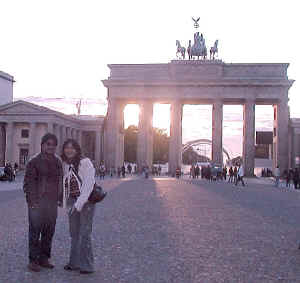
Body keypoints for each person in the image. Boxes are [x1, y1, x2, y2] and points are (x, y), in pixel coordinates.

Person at [23, 133, 63, 272]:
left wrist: (60, 198)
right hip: (37, 202)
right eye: (48, 144)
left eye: (53, 145)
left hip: (51, 203)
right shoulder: (34, 161)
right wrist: (32, 202)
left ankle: (44, 258)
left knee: (49, 231)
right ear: (42, 145)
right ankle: (33, 260)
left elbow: (60, 181)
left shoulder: (58, 161)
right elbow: (28, 183)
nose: (50, 147)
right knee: (35, 231)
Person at [61, 139, 96, 274]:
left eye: (72, 147)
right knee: (74, 233)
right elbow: (66, 186)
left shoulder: (85, 162)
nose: (69, 150)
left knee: (85, 233)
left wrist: (79, 204)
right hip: (71, 202)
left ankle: (87, 265)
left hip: (86, 203)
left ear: (77, 149)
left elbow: (88, 184)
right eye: (66, 148)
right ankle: (74, 262)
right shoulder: (65, 165)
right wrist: (66, 203)